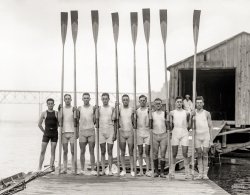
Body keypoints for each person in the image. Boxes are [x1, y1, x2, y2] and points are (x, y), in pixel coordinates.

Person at [190, 96, 213, 180]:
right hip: (197, 136)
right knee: (199, 154)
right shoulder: (193, 113)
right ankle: (200, 174)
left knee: (205, 154)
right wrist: (191, 116)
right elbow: (190, 126)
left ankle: (205, 174)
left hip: (206, 135)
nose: (199, 104)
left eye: (200, 102)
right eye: (197, 103)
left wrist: (211, 140)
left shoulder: (207, 113)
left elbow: (210, 126)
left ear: (203, 103)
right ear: (195, 104)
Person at [169, 96, 191, 179]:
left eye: (180, 102)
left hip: (184, 132)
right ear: (175, 103)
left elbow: (188, 124)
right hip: (175, 132)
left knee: (185, 153)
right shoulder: (172, 113)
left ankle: (187, 173)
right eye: (177, 102)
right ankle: (172, 172)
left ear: (182, 103)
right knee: (174, 153)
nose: (179, 103)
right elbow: (170, 124)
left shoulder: (186, 113)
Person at [78, 92, 97, 175]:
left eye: (87, 98)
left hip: (91, 131)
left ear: (89, 99)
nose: (86, 99)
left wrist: (96, 111)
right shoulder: (79, 108)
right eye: (84, 98)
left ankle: (93, 169)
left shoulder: (93, 108)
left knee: (91, 151)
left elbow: (95, 121)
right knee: (82, 151)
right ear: (82, 99)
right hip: (82, 131)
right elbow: (76, 119)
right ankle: (82, 169)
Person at [116, 94, 135, 177]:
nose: (125, 101)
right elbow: (114, 118)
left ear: (129, 100)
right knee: (122, 152)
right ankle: (123, 169)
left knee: (131, 152)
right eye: (124, 100)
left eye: (127, 99)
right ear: (122, 101)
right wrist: (115, 107)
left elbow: (134, 122)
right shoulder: (119, 109)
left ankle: (132, 170)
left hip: (130, 132)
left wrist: (134, 116)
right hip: (122, 132)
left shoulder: (131, 109)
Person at [38, 98, 58, 172]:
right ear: (47, 104)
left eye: (51, 103)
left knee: (53, 152)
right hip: (46, 134)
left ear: (53, 104)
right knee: (42, 151)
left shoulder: (56, 113)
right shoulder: (44, 113)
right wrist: (44, 131)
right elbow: (39, 124)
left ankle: (51, 167)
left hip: (54, 135)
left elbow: (58, 124)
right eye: (49, 103)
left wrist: (55, 129)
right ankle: (39, 168)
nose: (50, 105)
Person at [99, 93, 116, 176]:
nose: (105, 100)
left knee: (110, 151)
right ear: (101, 99)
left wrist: (115, 133)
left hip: (110, 130)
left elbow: (115, 121)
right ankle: (102, 170)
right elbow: (95, 120)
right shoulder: (99, 108)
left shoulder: (112, 108)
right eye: (103, 99)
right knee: (102, 151)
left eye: (106, 99)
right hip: (101, 131)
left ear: (108, 99)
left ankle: (109, 170)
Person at [58, 94, 75, 174]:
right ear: (64, 100)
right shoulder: (62, 109)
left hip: (72, 132)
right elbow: (59, 120)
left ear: (71, 100)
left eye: (69, 99)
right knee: (65, 151)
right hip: (64, 132)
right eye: (66, 99)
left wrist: (77, 132)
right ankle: (64, 168)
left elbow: (77, 120)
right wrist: (59, 110)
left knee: (72, 151)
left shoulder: (73, 109)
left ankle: (73, 168)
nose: (67, 100)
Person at [152, 98, 168, 178]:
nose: (158, 105)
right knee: (154, 154)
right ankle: (156, 171)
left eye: (159, 103)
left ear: (161, 105)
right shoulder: (152, 114)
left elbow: (168, 124)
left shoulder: (165, 113)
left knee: (163, 154)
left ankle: (162, 172)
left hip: (163, 135)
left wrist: (169, 133)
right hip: (154, 135)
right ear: (154, 105)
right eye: (156, 103)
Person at [136, 95, 151, 177]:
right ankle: (141, 170)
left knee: (147, 152)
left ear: (146, 101)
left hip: (147, 132)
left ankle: (148, 170)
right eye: (141, 100)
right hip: (139, 132)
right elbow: (133, 122)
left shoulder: (149, 110)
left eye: (144, 100)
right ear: (139, 102)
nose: (142, 102)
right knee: (140, 152)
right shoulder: (137, 111)